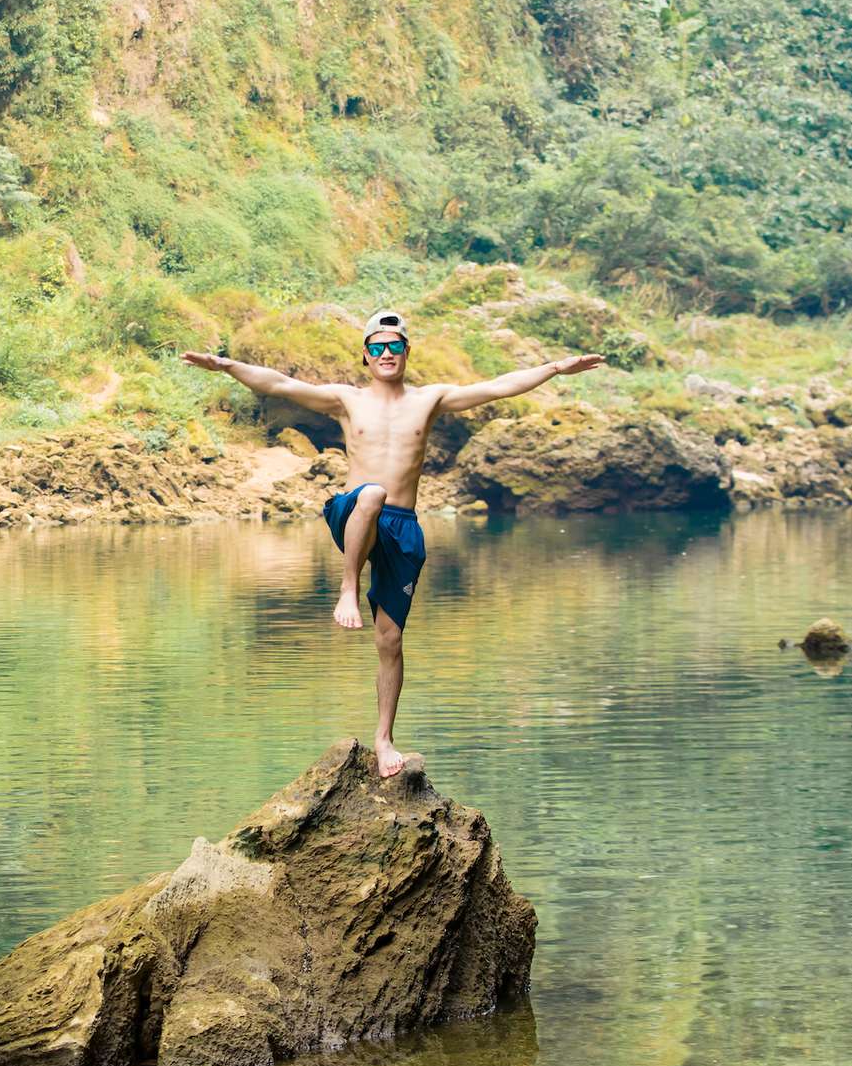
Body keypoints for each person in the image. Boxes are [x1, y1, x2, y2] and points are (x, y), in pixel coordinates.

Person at [184, 310, 604, 776]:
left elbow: (499, 385)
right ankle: (348, 588)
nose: (386, 354)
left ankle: (384, 738)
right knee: (372, 493)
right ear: (365, 355)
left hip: (403, 527)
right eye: (377, 347)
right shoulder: (346, 400)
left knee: (390, 638)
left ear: (407, 352)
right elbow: (279, 384)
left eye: (395, 346)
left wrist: (553, 369)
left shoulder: (431, 399)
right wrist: (225, 366)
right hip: (354, 512)